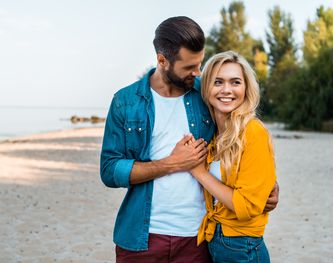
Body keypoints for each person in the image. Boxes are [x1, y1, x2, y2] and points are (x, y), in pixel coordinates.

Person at [100, 16, 279, 263]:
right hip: (141, 237)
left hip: (199, 238)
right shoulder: (125, 102)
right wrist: (171, 163)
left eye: (200, 64)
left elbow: (238, 142)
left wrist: (264, 187)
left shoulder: (205, 95)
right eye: (189, 67)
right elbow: (109, 171)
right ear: (162, 61)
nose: (198, 73)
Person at [189, 50, 277, 263]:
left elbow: (246, 205)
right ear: (207, 87)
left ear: (246, 88)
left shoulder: (253, 131)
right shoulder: (214, 134)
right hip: (217, 240)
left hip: (242, 246)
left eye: (235, 82)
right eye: (218, 82)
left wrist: (200, 172)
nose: (226, 90)